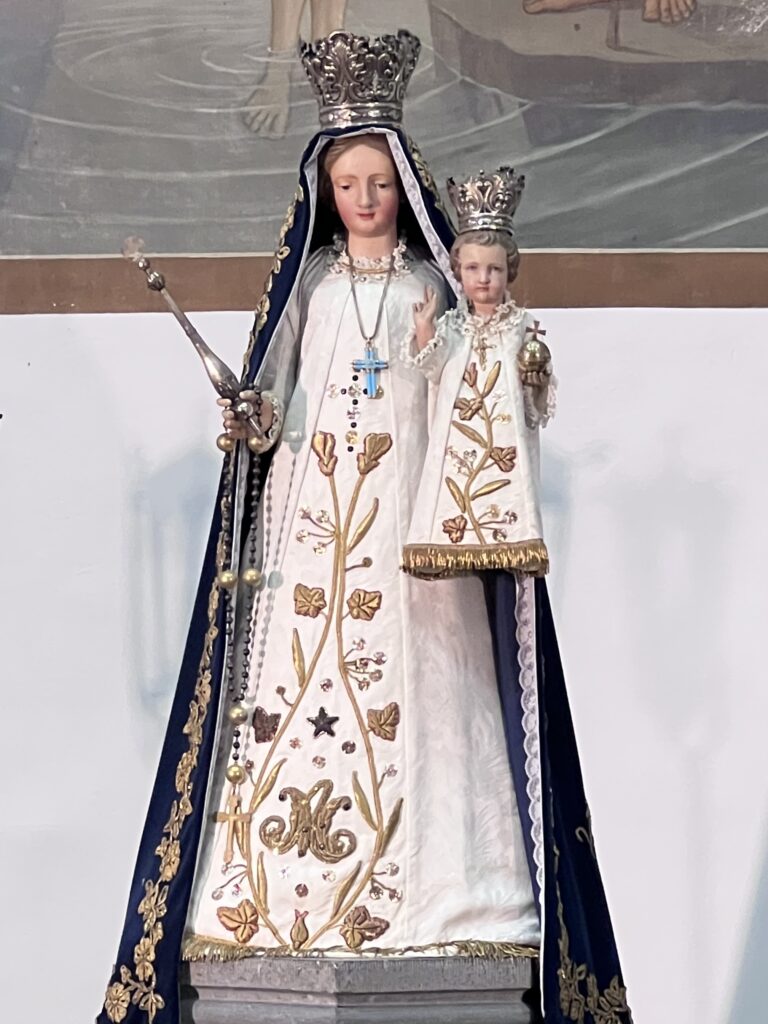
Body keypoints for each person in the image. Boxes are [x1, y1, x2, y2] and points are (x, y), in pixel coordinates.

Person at [98, 30, 631, 1024]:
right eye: (349, 186)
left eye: (380, 183)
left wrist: (495, 365)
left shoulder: (434, 288)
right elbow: (273, 396)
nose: (367, 199)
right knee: (289, 681)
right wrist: (251, 416)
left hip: (409, 535)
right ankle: (276, 898)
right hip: (312, 526)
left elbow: (479, 396)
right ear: (325, 194)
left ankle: (445, 891)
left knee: (433, 684)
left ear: (405, 187)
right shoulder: (312, 289)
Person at [403, 167, 556, 578]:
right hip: (459, 454)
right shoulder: (453, 327)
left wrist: (536, 378)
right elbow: (433, 369)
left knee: (506, 531)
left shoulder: (521, 327)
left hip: (505, 454)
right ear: (458, 271)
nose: (483, 279)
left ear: (509, 271)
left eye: (494, 270)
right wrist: (425, 330)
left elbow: (535, 407)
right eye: (472, 269)